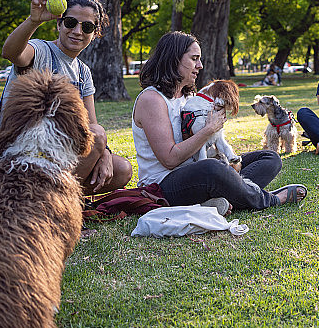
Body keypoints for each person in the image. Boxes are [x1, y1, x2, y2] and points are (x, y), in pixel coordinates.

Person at [131, 31, 307, 212]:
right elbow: (169, 159)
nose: (200, 65)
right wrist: (208, 130)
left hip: (199, 169)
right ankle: (269, 199)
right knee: (213, 168)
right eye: (194, 59)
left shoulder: (189, 97)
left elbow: (210, 143)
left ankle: (226, 196)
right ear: (174, 59)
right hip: (165, 184)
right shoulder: (152, 100)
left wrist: (221, 148)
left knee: (270, 158)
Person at [0, 0, 133, 195]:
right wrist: (34, 21)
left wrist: (105, 153)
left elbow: (90, 125)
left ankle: (58, 198)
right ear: (59, 23)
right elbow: (11, 52)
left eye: (87, 27)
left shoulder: (83, 72)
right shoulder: (40, 51)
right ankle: (48, 204)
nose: (77, 31)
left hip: (59, 154)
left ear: (94, 34)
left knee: (121, 169)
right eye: (70, 23)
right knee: (97, 136)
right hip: (22, 154)